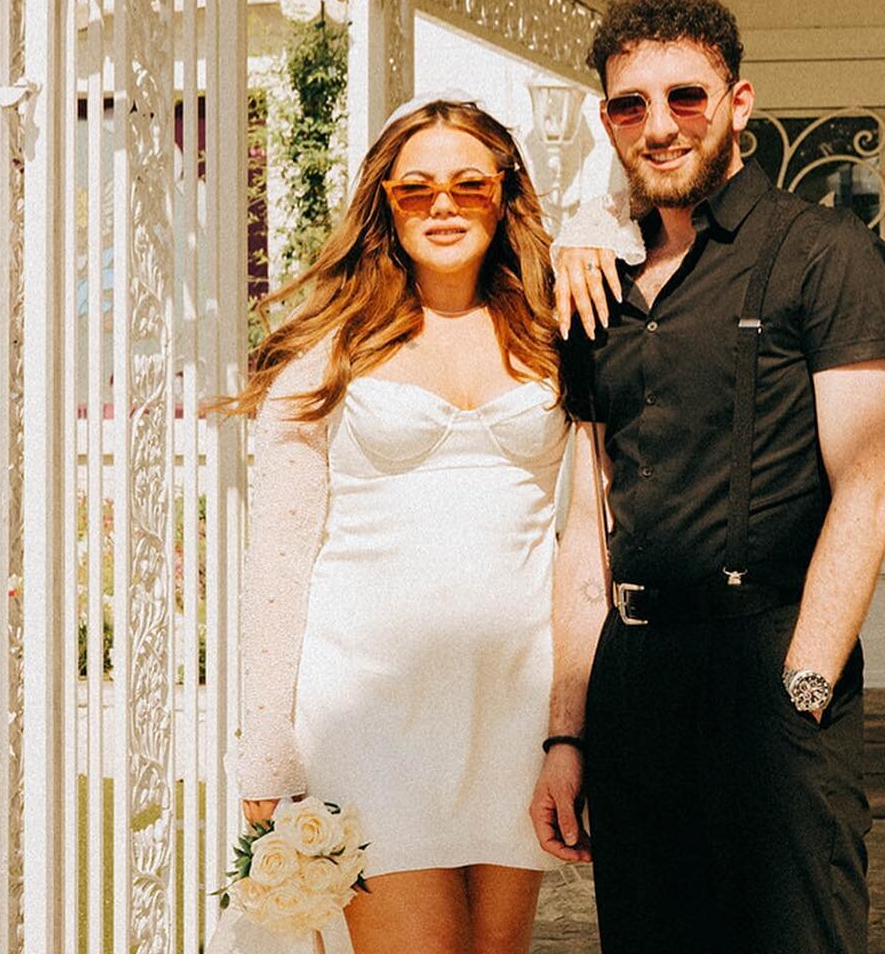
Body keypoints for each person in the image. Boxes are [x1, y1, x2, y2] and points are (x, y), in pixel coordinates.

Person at [531, 0, 885, 954]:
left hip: (770, 666)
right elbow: (591, 519)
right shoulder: (592, 285)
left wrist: (806, 693)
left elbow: (868, 487)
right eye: (629, 105)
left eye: (685, 97)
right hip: (636, 679)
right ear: (606, 118)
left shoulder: (824, 253)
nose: (659, 127)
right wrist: (568, 731)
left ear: (739, 103)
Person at [225, 98, 602, 954]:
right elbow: (279, 560)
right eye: (417, 188)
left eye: (470, 186)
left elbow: (586, 534)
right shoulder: (328, 348)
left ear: (505, 195)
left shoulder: (553, 333)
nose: (443, 205)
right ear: (385, 202)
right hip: (368, 716)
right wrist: (264, 751)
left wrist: (567, 725)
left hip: (512, 714)